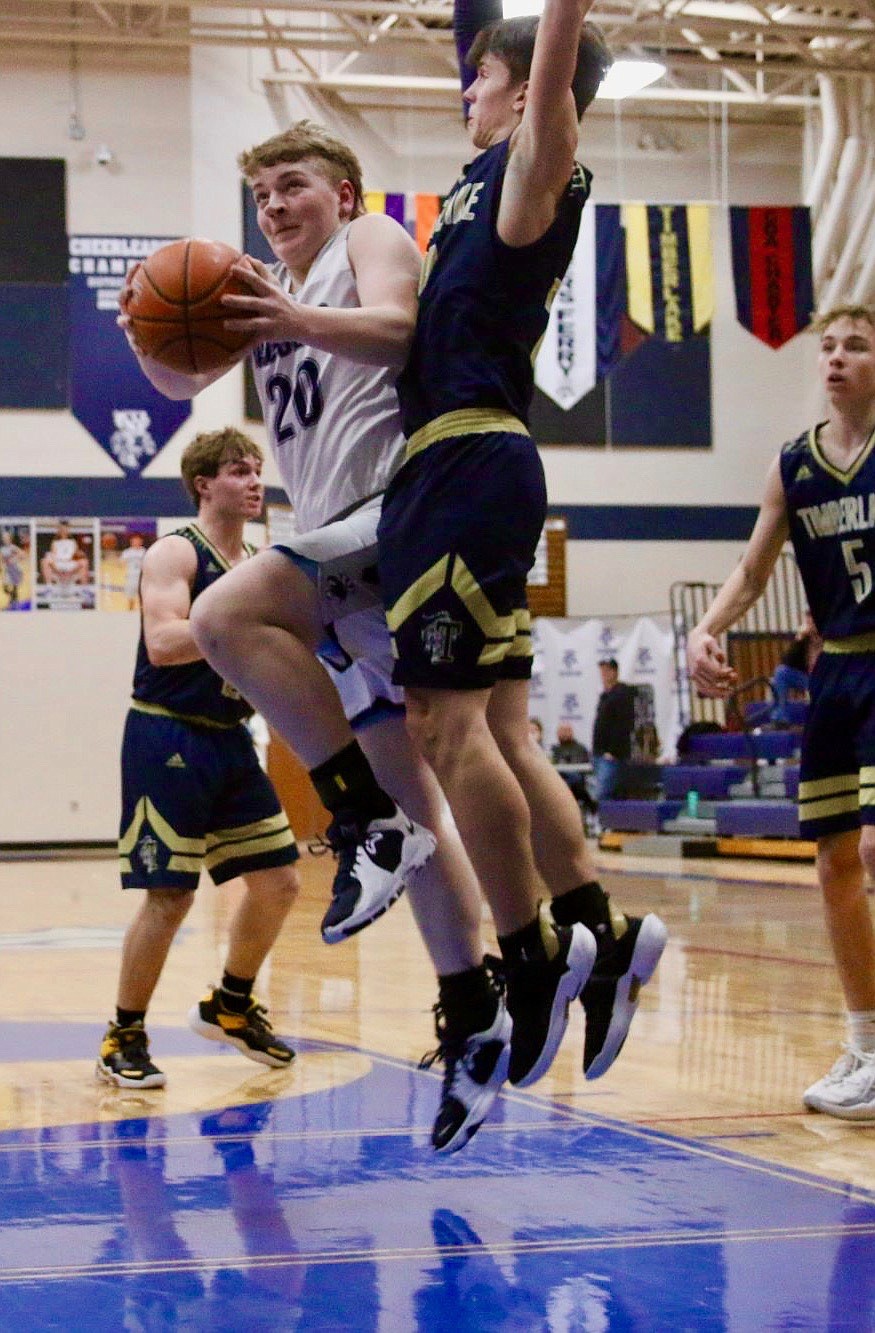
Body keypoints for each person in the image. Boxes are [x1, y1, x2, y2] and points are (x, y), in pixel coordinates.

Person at [118, 124, 507, 1153]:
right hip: (342, 563)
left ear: (339, 190)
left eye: (293, 187)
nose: (276, 208)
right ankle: (473, 1013)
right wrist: (145, 330)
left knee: (222, 613)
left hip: (400, 515)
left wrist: (287, 312)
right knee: (417, 825)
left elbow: (396, 329)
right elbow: (173, 382)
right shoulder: (256, 295)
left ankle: (364, 824)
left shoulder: (368, 240)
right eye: (261, 197)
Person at [376, 0, 667, 1089]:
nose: (464, 89)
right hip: (463, 465)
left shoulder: (534, 167)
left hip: (463, 461)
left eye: (479, 79)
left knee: (440, 731)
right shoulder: (476, 173)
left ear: (522, 89)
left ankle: (530, 953)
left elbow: (547, 79)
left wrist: (555, 24)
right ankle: (600, 927)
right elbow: (479, 35)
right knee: (501, 728)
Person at [687, 302, 875, 1120]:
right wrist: (706, 625)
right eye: (827, 346)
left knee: (873, 845)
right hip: (834, 671)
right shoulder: (792, 465)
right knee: (832, 860)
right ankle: (864, 1045)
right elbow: (753, 570)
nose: (836, 357)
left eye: (856, 346)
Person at [97, 428, 301, 1090]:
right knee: (170, 895)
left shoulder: (265, 561)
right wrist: (244, 628)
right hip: (167, 733)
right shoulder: (173, 552)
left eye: (257, 470)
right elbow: (162, 640)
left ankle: (231, 1003)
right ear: (203, 483)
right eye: (239, 470)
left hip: (229, 734)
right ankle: (122, 1032)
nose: (253, 481)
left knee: (279, 882)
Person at [592, 658, 636, 801]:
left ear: (614, 672)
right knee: (601, 792)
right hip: (600, 752)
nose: (603, 674)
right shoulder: (605, 696)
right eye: (602, 671)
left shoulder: (621, 694)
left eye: (607, 670)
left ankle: (606, 821)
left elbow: (623, 725)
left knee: (604, 793)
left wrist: (613, 751)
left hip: (612, 755)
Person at [769, 609, 822, 725]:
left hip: (825, 679)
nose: (810, 622)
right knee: (781, 673)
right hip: (807, 679)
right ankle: (780, 718)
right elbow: (787, 662)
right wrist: (799, 640)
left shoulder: (830, 636)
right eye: (808, 619)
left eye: (812, 618)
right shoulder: (804, 640)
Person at [550, 721, 597, 818]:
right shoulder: (555, 750)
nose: (564, 733)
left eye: (566, 730)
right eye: (561, 731)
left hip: (577, 784)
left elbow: (582, 766)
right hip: (558, 782)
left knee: (572, 778)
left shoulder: (580, 748)